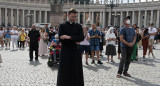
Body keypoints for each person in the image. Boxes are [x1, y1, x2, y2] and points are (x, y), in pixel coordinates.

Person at [57, 8, 84, 86]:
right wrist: (75, 40)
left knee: (76, 70)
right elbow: (61, 39)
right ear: (68, 15)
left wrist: (69, 37)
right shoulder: (62, 26)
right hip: (65, 52)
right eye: (73, 16)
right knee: (64, 71)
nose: (74, 18)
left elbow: (81, 38)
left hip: (76, 52)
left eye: (75, 16)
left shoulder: (79, 26)